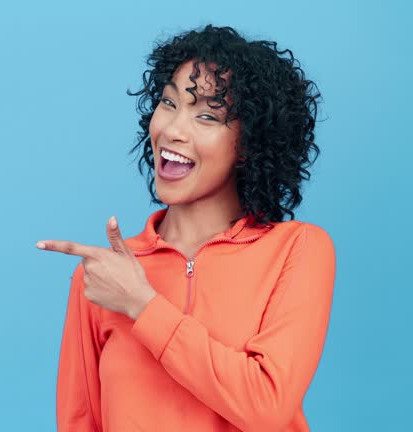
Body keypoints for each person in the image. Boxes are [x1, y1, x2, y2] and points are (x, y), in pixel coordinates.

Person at [36, 25, 335, 431]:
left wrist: (143, 305)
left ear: (249, 144)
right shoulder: (105, 278)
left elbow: (266, 407)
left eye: (208, 115)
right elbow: (79, 420)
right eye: (169, 102)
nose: (173, 130)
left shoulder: (297, 250)